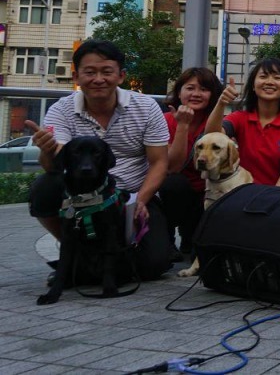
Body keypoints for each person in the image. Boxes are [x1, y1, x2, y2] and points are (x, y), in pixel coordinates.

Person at [25, 40, 173, 279]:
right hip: (81, 197)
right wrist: (47, 150)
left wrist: (141, 201)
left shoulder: (146, 107)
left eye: (106, 72)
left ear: (121, 76)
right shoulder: (61, 110)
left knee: (155, 264)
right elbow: (56, 167)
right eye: (90, 72)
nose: (98, 79)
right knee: (44, 186)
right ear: (76, 76)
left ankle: (89, 264)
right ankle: (77, 250)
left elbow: (159, 162)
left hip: (133, 195)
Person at [205, 58, 280, 189]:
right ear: (253, 85)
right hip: (242, 190)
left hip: (278, 193)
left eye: (277, 78)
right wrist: (221, 103)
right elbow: (211, 137)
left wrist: (271, 197)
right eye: (263, 76)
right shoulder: (239, 117)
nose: (270, 82)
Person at [158, 66, 223, 259]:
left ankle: (191, 236)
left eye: (203, 89)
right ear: (179, 92)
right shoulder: (163, 120)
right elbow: (171, 167)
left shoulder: (216, 123)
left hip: (204, 193)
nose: (196, 94)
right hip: (173, 192)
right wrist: (182, 126)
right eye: (190, 88)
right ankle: (167, 238)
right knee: (173, 183)